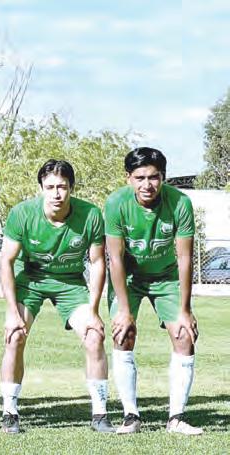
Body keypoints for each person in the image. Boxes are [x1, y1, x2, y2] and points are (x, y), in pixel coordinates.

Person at [0, 159, 113, 433]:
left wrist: (94, 311)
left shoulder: (90, 215)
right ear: (41, 188)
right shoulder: (22, 214)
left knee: (94, 336)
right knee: (15, 336)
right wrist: (13, 312)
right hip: (31, 279)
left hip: (70, 283)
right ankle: (9, 412)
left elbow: (98, 263)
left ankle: (100, 414)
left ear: (71, 187)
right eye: (50, 187)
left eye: (62, 186)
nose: (56, 193)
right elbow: (6, 262)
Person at [105, 147, 202, 435]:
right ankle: (130, 416)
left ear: (163, 177)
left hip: (166, 277)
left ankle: (176, 418)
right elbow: (114, 259)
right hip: (129, 277)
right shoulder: (116, 203)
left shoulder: (180, 202)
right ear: (128, 178)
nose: (147, 184)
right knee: (123, 334)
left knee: (184, 336)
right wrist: (124, 311)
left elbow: (185, 257)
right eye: (140, 178)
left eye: (154, 177)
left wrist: (185, 310)